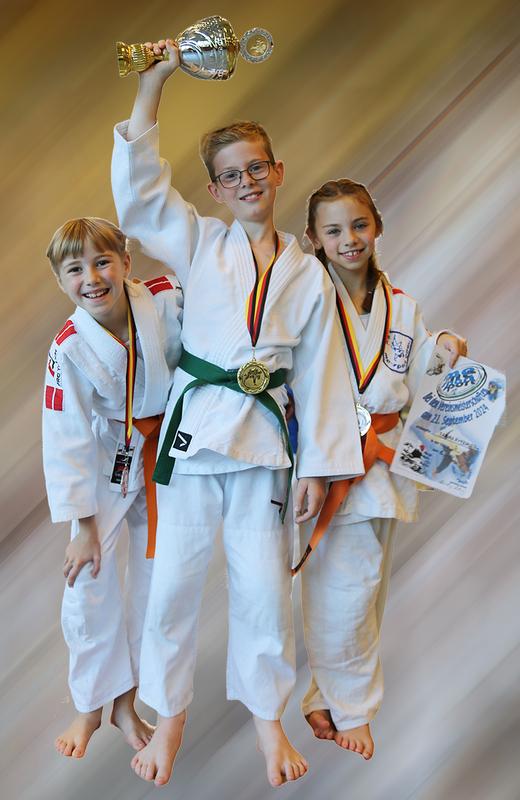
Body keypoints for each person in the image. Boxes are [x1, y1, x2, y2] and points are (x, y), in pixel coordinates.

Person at [111, 40, 365, 788]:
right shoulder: (198, 241)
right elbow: (141, 197)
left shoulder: (308, 273)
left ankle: (267, 723)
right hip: (195, 442)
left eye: (257, 168)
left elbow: (320, 372)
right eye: (231, 175)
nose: (247, 182)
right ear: (215, 190)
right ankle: (169, 720)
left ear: (278, 172)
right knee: (172, 586)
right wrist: (153, 84)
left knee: (264, 590)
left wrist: (319, 466)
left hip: (263, 448)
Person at [299, 178, 467, 759]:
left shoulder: (403, 307)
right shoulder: (304, 300)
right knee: (350, 587)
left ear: (377, 226)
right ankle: (352, 709)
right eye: (334, 230)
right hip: (332, 461)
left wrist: (443, 349)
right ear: (314, 240)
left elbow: (418, 375)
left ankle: (324, 695)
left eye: (359, 225)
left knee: (365, 589)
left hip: (387, 460)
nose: (349, 239)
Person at [43, 217, 182, 759]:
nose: (92, 278)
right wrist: (83, 526)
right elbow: (66, 436)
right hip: (106, 460)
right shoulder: (69, 347)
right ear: (61, 282)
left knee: (158, 578)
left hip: (166, 452)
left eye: (103, 262)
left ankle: (128, 701)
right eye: (75, 269)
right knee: (87, 579)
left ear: (126, 261)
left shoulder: (166, 299)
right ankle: (91, 703)